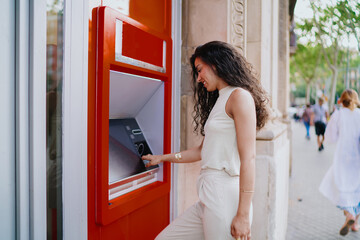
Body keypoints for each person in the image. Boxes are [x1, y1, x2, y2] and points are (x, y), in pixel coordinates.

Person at [142, 41, 269, 240]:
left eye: (200, 70)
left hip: (224, 194)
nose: (198, 78)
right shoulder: (221, 99)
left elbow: (249, 158)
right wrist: (163, 158)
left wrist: (243, 215)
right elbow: (201, 151)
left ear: (216, 64)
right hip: (208, 194)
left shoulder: (239, 97)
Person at [319, 89, 360, 236]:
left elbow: (330, 137)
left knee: (343, 188)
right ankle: (355, 222)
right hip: (358, 158)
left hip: (343, 157)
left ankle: (349, 214)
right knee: (357, 190)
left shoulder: (338, 115)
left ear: (341, 100)